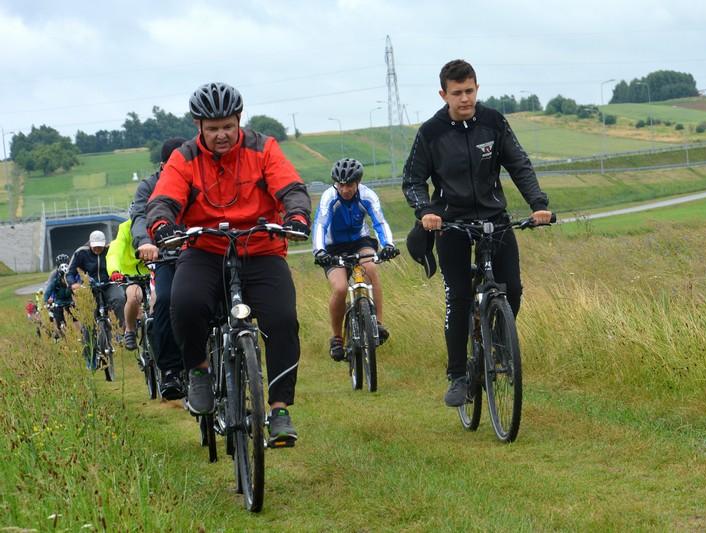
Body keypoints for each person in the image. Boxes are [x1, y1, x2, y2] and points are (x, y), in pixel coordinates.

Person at [146, 82, 311, 447]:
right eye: (213, 128)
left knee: (283, 319)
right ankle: (199, 372)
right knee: (184, 303)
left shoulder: (263, 148)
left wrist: (297, 215)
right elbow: (163, 199)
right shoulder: (185, 158)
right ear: (198, 126)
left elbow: (290, 187)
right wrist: (163, 225)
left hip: (260, 247)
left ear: (239, 120)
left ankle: (279, 409)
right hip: (205, 249)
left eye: (227, 126)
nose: (221, 135)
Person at [402, 59, 552, 407]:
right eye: (457, 93)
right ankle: (458, 375)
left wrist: (538, 204)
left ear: (477, 89)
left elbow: (519, 165)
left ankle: (498, 343)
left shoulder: (493, 122)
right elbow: (412, 180)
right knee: (458, 298)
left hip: (495, 219)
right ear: (443, 95)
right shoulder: (431, 133)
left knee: (513, 289)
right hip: (451, 224)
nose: (465, 98)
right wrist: (426, 212)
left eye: (469, 91)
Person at [312, 157, 399, 361]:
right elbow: (320, 224)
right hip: (333, 246)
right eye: (340, 185)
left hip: (360, 241)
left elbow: (379, 221)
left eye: (349, 185)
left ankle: (377, 324)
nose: (345, 190)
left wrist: (388, 245)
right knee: (341, 288)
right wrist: (320, 252)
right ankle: (337, 338)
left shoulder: (367, 195)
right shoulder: (329, 197)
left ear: (358, 182)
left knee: (371, 269)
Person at [129, 137, 187, 400]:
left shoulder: (201, 177)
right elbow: (140, 216)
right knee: (164, 300)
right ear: (164, 165)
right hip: (166, 255)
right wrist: (145, 241)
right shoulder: (149, 187)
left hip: (201, 251)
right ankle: (172, 370)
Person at [106, 206, 152, 351]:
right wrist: (115, 271)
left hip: (153, 272)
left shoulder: (155, 224)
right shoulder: (125, 229)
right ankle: (130, 330)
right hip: (131, 276)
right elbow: (115, 252)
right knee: (134, 296)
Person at [66, 230, 126, 330]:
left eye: (100, 246)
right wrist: (72, 284)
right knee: (87, 310)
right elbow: (69, 273)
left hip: (109, 283)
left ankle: (120, 331)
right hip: (88, 286)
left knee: (119, 299)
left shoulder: (110, 250)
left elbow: (120, 264)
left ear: (104, 244)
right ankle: (89, 335)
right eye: (95, 246)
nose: (97, 249)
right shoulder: (81, 252)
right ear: (90, 244)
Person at [44, 260, 78, 333]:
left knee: (76, 321)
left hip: (70, 303)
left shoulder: (71, 282)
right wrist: (46, 300)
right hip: (59, 304)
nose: (65, 278)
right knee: (59, 324)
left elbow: (76, 291)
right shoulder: (55, 282)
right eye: (63, 276)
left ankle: (79, 335)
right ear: (60, 275)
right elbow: (48, 291)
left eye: (66, 276)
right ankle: (63, 334)